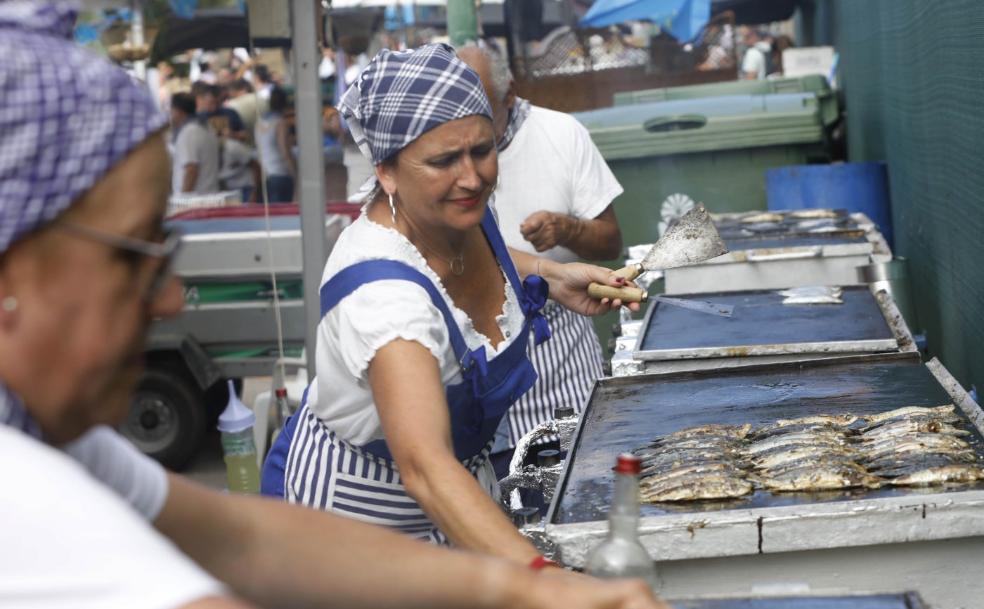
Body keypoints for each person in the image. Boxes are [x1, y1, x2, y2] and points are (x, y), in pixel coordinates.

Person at [0, 6, 668, 609]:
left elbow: (244, 540)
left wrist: (527, 586)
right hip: (363, 497)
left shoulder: (66, 444)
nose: (172, 298)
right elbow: (424, 465)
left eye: (482, 149)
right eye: (134, 257)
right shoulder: (25, 500)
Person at [260, 43, 639, 561]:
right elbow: (425, 469)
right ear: (387, 171)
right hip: (359, 518)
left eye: (482, 151)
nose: (472, 177)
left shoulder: (456, 212)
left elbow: (488, 251)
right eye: (443, 160)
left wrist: (551, 274)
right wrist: (541, 583)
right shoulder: (384, 301)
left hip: (458, 491)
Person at [456, 46, 623, 481]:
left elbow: (610, 240)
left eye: (482, 110)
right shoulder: (451, 163)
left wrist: (566, 231)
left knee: (580, 488)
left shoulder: (560, 133)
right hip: (480, 369)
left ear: (508, 95)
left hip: (561, 361)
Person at [169, 92, 221, 195]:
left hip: (194, 202)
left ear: (178, 111)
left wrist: (183, 199)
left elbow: (191, 169)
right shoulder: (206, 128)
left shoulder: (189, 133)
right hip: (208, 196)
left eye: (171, 110)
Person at [254, 86, 297, 203]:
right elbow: (285, 150)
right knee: (283, 214)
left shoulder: (259, 122)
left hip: (266, 174)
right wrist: (294, 172)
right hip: (281, 173)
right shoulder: (280, 123)